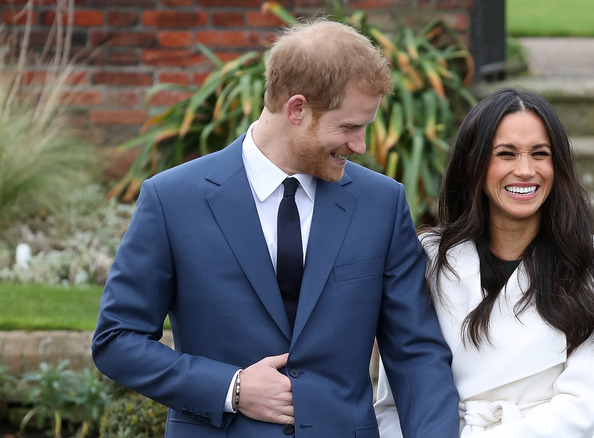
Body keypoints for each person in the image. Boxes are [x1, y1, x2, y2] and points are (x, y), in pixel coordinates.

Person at [92, 19, 460, 437]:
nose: (360, 145)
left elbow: (415, 354)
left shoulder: (381, 203)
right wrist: (231, 389)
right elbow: (117, 340)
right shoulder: (172, 199)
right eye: (349, 127)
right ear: (297, 109)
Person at [374, 87, 594, 437]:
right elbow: (397, 400)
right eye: (506, 154)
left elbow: (580, 405)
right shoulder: (427, 258)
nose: (525, 170)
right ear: (474, 165)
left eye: (540, 154)